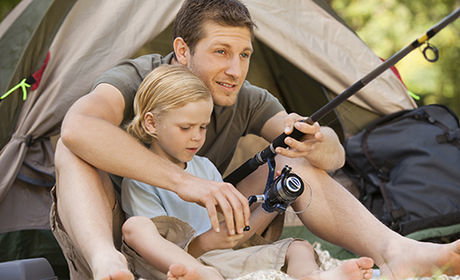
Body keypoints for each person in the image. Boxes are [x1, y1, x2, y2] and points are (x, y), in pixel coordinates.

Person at [51, 0, 460, 279]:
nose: (235, 69)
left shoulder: (246, 99)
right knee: (72, 148)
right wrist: (187, 183)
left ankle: (396, 251)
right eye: (221, 52)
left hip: (202, 238)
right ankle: (106, 264)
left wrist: (319, 143)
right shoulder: (140, 78)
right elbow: (79, 126)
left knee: (294, 160)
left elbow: (330, 153)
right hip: (123, 228)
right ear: (182, 50)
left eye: (244, 55)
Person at [119, 64, 374, 280]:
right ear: (152, 123)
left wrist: (273, 203)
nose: (196, 137)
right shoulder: (140, 179)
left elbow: (237, 234)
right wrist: (210, 243)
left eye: (203, 127)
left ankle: (315, 277)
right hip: (176, 266)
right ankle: (199, 274)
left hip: (221, 259)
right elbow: (153, 247)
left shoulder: (204, 167)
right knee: (135, 226)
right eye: (186, 127)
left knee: (298, 248)